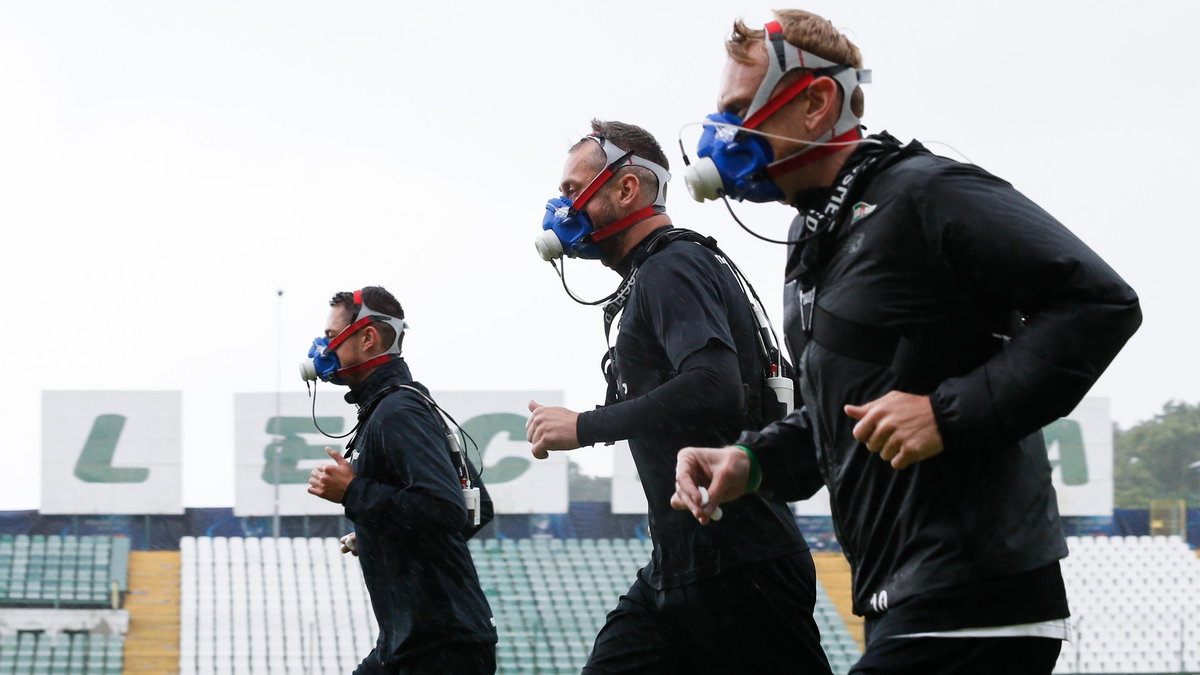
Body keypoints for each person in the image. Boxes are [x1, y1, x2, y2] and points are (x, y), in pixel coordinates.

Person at [670, 10, 1143, 675]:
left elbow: (1100, 302)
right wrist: (749, 461)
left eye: (741, 110)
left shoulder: (930, 193)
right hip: (903, 599)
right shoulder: (812, 240)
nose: (723, 133)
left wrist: (946, 413)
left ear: (815, 102)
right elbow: (837, 423)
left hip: (977, 597)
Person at [526, 119, 833, 674]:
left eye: (573, 190)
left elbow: (713, 388)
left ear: (626, 189)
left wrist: (586, 426)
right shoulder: (665, 269)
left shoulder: (671, 267)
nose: (562, 207)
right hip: (684, 562)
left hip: (740, 563)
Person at [305, 286, 497, 675]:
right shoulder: (396, 404)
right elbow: (478, 508)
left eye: (330, 338)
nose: (322, 350)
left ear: (368, 338)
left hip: (439, 647)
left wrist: (353, 492)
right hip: (412, 643)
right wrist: (385, 532)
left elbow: (446, 509)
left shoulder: (397, 410)